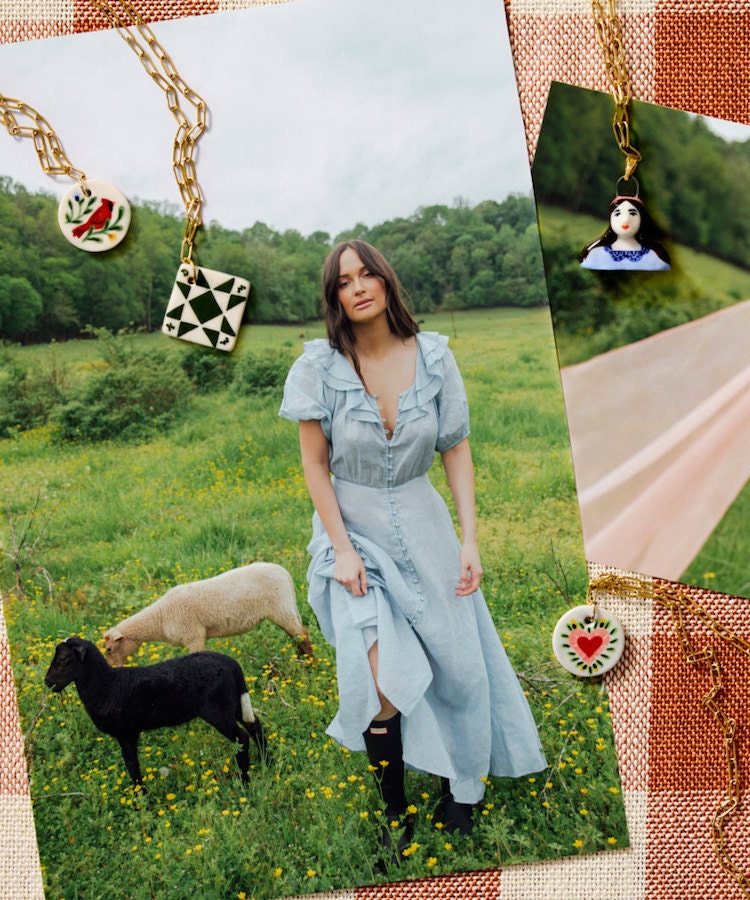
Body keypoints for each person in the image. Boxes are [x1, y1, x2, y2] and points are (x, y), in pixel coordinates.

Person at [279, 240, 546, 855]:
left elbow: (455, 446)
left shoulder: (434, 358)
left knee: (459, 663)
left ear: (386, 282)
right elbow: (315, 468)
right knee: (380, 686)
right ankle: (395, 811)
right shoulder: (318, 368)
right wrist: (342, 549)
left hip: (426, 525)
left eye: (367, 273)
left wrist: (470, 538)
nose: (358, 286)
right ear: (334, 298)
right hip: (354, 534)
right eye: (344, 281)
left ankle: (463, 786)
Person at [579, 195, 671, 270]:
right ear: (610, 218)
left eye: (633, 213)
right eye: (617, 214)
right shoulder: (594, 254)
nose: (625, 220)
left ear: (642, 219)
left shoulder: (654, 256)